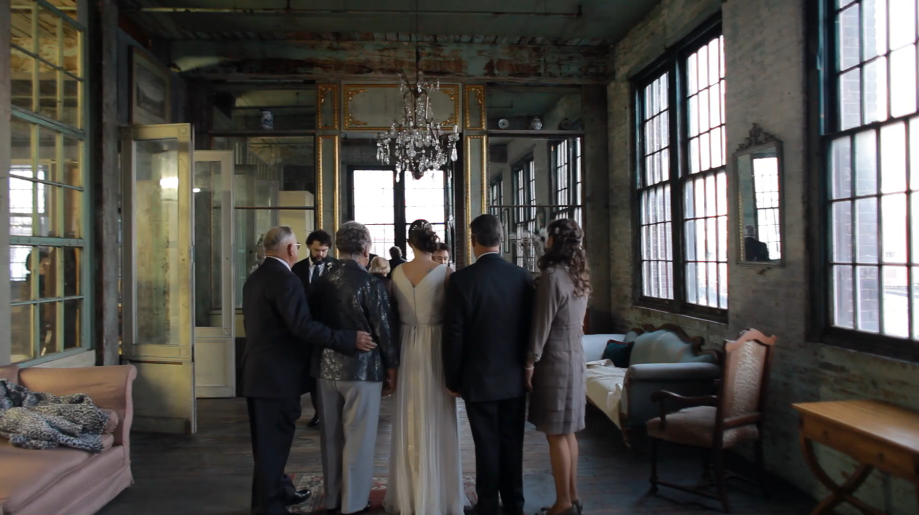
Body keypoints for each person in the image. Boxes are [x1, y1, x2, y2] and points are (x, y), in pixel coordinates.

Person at [241, 226, 376, 515]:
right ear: (291, 249)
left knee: (266, 444)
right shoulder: (286, 280)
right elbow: (302, 326)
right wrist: (348, 338)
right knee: (273, 446)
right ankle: (269, 506)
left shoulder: (255, 277)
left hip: (257, 373)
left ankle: (280, 491)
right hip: (277, 377)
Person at [443, 214, 535, 515]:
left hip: (478, 376)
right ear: (501, 239)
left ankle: (487, 504)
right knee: (512, 443)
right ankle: (514, 503)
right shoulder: (522, 277)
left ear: (473, 241)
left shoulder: (462, 280)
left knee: (486, 445)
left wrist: (452, 379)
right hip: (514, 376)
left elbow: (454, 335)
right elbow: (531, 328)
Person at [308, 221, 399, 515]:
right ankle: (355, 502)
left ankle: (333, 498)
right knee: (358, 440)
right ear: (365, 249)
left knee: (330, 439)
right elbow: (384, 330)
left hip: (325, 368)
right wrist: (392, 368)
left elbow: (311, 325)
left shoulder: (320, 281)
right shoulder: (370, 283)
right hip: (363, 370)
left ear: (337, 247)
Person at [384, 220, 465, 515]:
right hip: (435, 345)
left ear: (409, 244)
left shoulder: (396, 273)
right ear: (433, 242)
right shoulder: (446, 273)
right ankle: (439, 493)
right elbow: (455, 319)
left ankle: (410, 493)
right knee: (437, 412)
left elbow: (391, 316)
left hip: (407, 344)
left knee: (409, 413)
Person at [525, 219, 591, 515]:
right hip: (575, 357)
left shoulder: (552, 277)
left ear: (554, 241)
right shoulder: (578, 274)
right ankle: (572, 497)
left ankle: (563, 502)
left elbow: (541, 327)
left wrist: (529, 361)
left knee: (555, 434)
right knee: (568, 432)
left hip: (555, 362)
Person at [292, 229, 339, 428]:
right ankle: (319, 413)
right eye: (317, 250)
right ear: (309, 247)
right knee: (312, 374)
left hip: (329, 326)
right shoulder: (297, 268)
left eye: (324, 250)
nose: (320, 254)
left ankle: (331, 413)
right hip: (306, 327)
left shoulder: (337, 267)